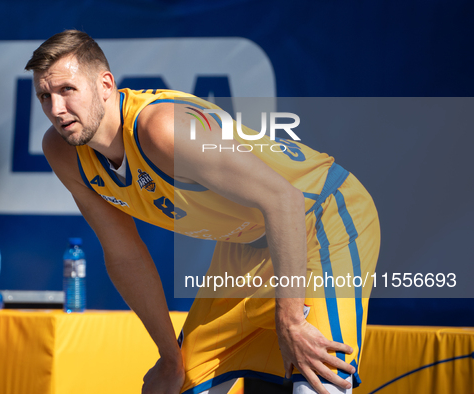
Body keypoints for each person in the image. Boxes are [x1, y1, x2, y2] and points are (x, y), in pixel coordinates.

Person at [25, 30, 380, 394]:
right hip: (247, 242)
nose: (55, 109)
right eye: (44, 96)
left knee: (320, 379)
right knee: (177, 383)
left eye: (67, 90)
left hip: (318, 212)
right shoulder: (62, 150)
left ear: (105, 84)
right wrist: (168, 357)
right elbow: (124, 254)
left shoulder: (162, 129)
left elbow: (283, 200)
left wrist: (289, 320)